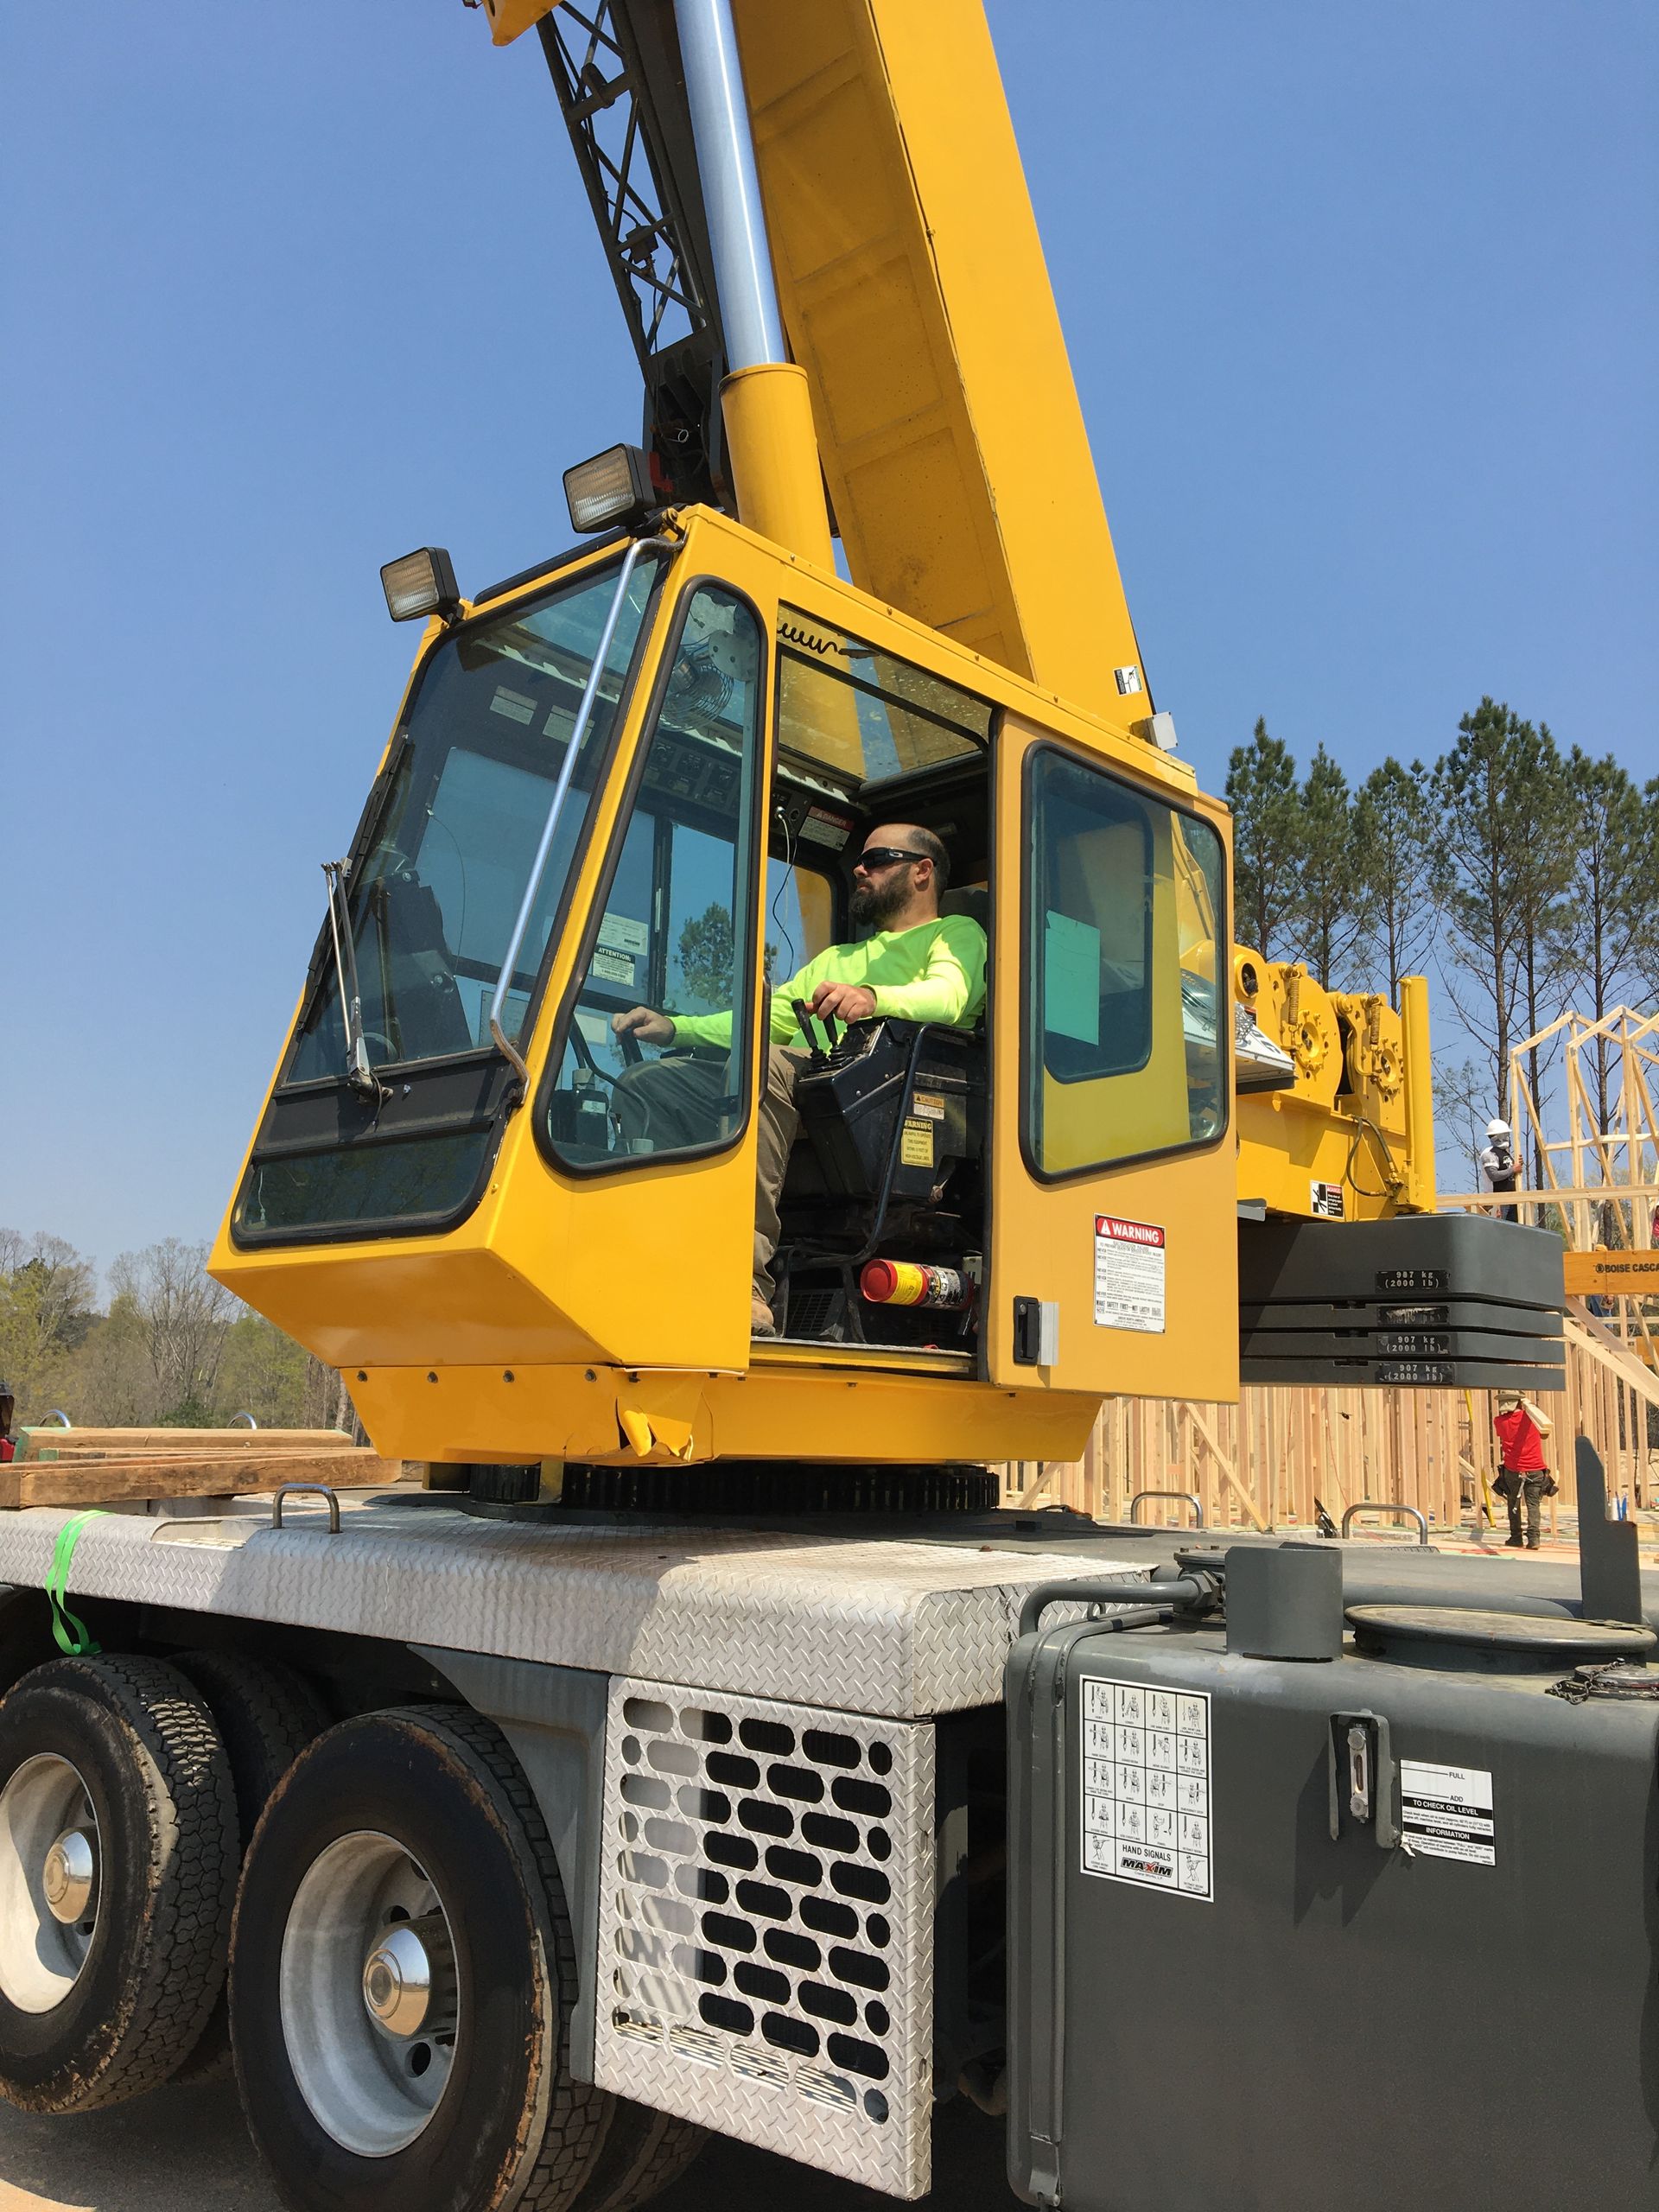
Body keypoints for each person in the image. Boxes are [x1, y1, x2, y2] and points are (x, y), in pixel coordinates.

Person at [611, 824, 988, 1337]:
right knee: (645, 1083)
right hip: (823, 1087)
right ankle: (654, 1263)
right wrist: (678, 1028)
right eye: (860, 859)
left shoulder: (955, 934)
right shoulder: (836, 960)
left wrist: (873, 999)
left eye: (876, 858)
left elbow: (948, 998)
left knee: (765, 1065)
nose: (860, 868)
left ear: (922, 871)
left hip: (897, 1100)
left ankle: (742, 1285)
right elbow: (765, 1023)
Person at [1491, 1389, 1553, 1549]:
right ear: (1520, 1402)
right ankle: (1534, 1539)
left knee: (1513, 1503)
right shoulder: (1532, 1419)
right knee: (1533, 1504)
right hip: (1535, 1468)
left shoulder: (1499, 1421)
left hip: (1513, 1470)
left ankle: (1516, 1538)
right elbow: (1545, 1432)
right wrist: (1528, 1405)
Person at [1479, 1117, 1518, 1224]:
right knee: (1502, 1229)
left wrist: (1516, 1168)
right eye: (1504, 1135)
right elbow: (1494, 1176)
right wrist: (1513, 1169)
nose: (1506, 1138)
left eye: (1507, 1135)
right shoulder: (1489, 1153)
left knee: (1513, 1230)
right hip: (1499, 1199)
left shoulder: (1505, 1153)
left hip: (1512, 1198)